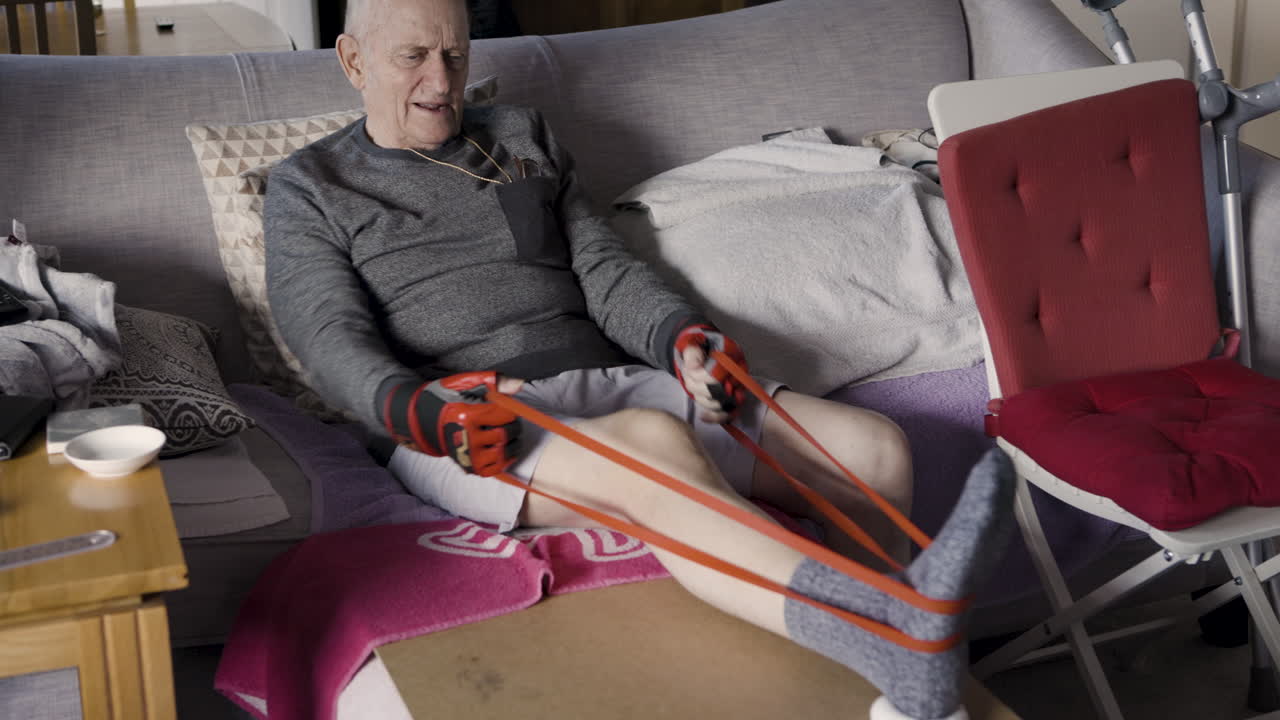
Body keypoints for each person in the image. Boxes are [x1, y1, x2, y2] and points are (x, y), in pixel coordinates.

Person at [264, 1, 1015, 718]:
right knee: (656, 443)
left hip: (613, 380)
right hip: (463, 413)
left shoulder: (521, 135)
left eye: (455, 55)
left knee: (872, 449)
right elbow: (327, 338)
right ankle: (891, 639)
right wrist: (420, 412)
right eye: (412, 57)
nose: (441, 82)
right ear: (353, 60)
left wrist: (684, 341)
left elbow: (606, 272)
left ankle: (874, 680)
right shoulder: (310, 185)